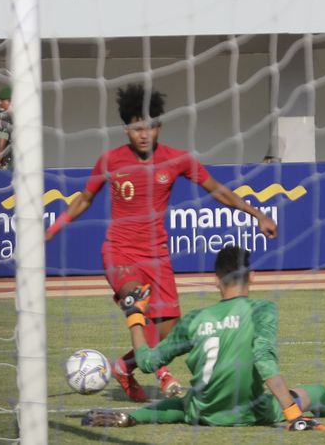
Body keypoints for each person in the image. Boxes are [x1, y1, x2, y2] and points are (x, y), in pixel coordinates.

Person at [45, 84, 279, 402]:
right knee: (133, 299)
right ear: (126, 128)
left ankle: (124, 367)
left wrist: (256, 214)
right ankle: (162, 373)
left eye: (150, 127)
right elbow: (84, 199)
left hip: (157, 256)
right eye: (136, 127)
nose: (144, 134)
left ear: (159, 127)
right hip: (119, 250)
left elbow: (218, 191)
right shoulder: (110, 161)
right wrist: (51, 228)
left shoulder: (177, 160)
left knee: (170, 336)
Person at [82, 245, 325, 428]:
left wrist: (134, 315)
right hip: (249, 411)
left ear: (216, 280)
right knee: (316, 391)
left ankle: (131, 417)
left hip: (203, 410)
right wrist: (292, 414)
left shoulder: (195, 319)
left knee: (182, 405)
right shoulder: (262, 310)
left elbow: (148, 361)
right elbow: (265, 360)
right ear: (252, 276)